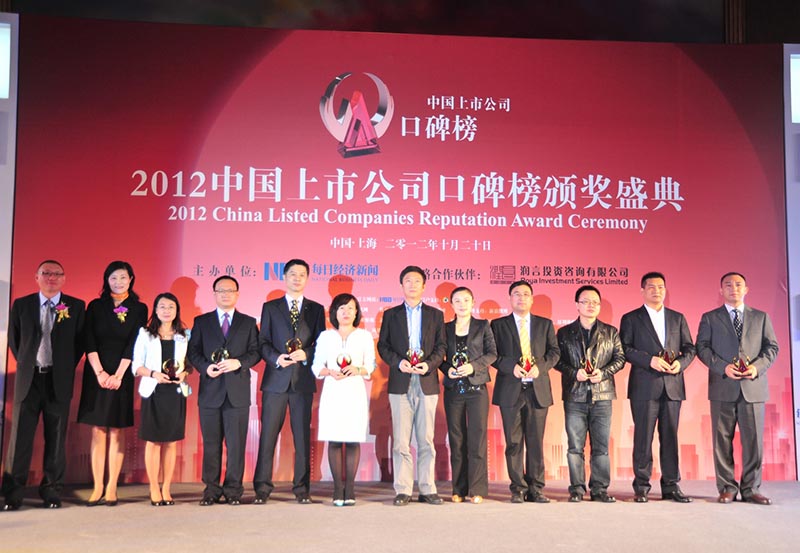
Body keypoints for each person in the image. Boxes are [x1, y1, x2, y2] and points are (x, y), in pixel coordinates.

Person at [2, 260, 85, 510]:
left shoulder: (76, 306)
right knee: (20, 438)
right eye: (46, 273)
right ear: (36, 277)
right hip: (29, 379)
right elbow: (15, 341)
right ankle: (13, 494)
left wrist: (61, 367)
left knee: (56, 438)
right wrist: (29, 363)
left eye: (57, 273)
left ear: (64, 278)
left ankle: (51, 491)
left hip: (58, 380)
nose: (51, 277)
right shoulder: (22, 305)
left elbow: (79, 343)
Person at [696, 272, 779, 505]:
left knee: (753, 441)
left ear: (746, 289)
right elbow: (702, 348)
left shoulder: (761, 317)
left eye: (738, 284)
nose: (734, 288)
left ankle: (751, 488)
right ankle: (727, 488)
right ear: (720, 290)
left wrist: (756, 368)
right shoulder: (710, 318)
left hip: (753, 387)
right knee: (722, 440)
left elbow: (772, 347)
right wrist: (723, 367)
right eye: (728, 285)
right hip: (722, 386)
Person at [253, 259, 325, 504]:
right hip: (275, 380)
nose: (297, 278)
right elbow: (262, 341)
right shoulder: (270, 307)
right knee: (268, 436)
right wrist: (276, 358)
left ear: (307, 279)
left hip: (302, 381)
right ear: (284, 277)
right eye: (292, 274)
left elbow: (320, 343)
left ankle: (302, 490)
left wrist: (307, 354)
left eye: (302, 274)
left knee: (302, 438)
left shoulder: (316, 309)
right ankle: (262, 489)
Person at [619, 272, 696, 503]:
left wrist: (680, 364)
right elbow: (624, 349)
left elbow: (689, 348)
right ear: (642, 291)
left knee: (670, 437)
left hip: (672, 386)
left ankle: (671, 485)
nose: (657, 291)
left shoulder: (677, 318)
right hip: (644, 386)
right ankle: (641, 486)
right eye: (651, 287)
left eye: (661, 287)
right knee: (643, 438)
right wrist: (649, 360)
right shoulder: (631, 318)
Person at [77, 260, 148, 506]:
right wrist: (100, 373)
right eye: (113, 278)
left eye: (123, 277)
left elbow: (135, 343)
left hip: (122, 373)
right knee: (97, 430)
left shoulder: (139, 308)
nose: (118, 282)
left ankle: (111, 487)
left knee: (117, 430)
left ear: (131, 279)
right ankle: (97, 486)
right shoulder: (96, 306)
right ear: (106, 280)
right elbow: (89, 340)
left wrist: (117, 375)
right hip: (96, 372)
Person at [187, 276, 260, 506]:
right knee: (211, 444)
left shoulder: (248, 322)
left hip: (237, 393)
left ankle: (233, 491)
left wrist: (239, 363)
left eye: (230, 290)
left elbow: (256, 352)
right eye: (221, 290)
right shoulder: (202, 322)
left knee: (236, 445)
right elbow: (193, 352)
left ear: (237, 294)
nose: (226, 294)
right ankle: (211, 490)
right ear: (214, 294)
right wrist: (205, 367)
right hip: (210, 392)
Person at [377, 265, 446, 506]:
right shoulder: (391, 315)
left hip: (426, 381)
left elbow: (441, 347)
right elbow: (383, 346)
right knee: (401, 441)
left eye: (417, 281)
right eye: (408, 280)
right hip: (400, 380)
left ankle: (427, 488)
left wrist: (428, 365)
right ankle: (403, 489)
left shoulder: (436, 315)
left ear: (424, 286)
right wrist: (399, 363)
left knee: (426, 440)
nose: (413, 284)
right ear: (401, 285)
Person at [491, 280, 559, 503]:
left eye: (526, 294)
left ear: (532, 299)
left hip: (537, 389)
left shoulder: (544, 324)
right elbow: (492, 355)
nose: (521, 298)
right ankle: (518, 488)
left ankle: (536, 488)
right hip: (510, 389)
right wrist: (511, 366)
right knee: (513, 443)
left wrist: (541, 367)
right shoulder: (498, 325)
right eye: (517, 294)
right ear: (510, 298)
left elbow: (554, 352)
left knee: (535, 442)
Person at [556, 285, 625, 503]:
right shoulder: (564, 333)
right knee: (575, 447)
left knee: (601, 447)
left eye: (595, 302)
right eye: (585, 301)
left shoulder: (611, 332)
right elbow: (557, 360)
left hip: (602, 396)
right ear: (577, 305)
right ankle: (576, 489)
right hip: (574, 396)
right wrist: (573, 373)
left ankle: (599, 490)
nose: (591, 305)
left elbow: (620, 359)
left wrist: (603, 373)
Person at [311, 293, 375, 506]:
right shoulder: (325, 336)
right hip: (333, 391)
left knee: (353, 439)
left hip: (355, 391)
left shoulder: (364, 336)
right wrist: (329, 372)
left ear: (357, 312)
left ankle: (350, 489)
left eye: (350, 308)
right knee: (335, 439)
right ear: (334, 313)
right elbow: (316, 365)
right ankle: (338, 489)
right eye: (341, 308)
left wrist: (358, 369)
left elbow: (370, 365)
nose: (346, 312)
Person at [132, 293, 191, 506]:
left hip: (176, 393)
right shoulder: (145, 334)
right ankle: (153, 487)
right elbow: (136, 365)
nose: (167, 310)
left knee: (171, 442)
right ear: (155, 310)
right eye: (162, 306)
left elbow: (189, 363)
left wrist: (184, 373)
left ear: (177, 311)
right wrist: (154, 374)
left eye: (171, 307)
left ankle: (166, 487)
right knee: (154, 441)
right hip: (154, 392)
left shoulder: (184, 335)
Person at [439, 286, 497, 504]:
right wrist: (448, 370)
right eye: (457, 300)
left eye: (466, 300)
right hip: (454, 390)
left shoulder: (482, 326)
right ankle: (459, 489)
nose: (462, 304)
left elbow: (492, 354)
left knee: (477, 439)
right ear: (451, 304)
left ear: (473, 302)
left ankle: (477, 489)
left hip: (476, 389)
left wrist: (473, 367)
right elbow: (439, 357)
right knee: (457, 440)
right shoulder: (445, 329)